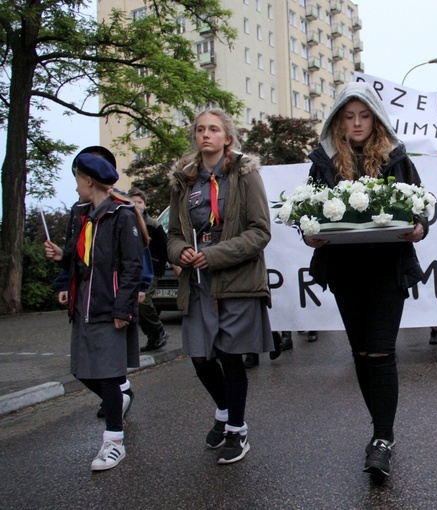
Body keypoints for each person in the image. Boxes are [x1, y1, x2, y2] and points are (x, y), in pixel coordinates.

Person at [303, 82, 427, 477]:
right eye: (349, 116)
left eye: (364, 116)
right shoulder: (323, 162)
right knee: (360, 353)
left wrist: (420, 227)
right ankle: (381, 432)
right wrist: (308, 232)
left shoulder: (396, 157)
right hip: (344, 270)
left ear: (375, 119)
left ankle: (382, 438)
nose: (357, 123)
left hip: (387, 268)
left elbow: (423, 205)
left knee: (381, 352)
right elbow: (306, 213)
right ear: (338, 120)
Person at [166, 108, 274, 465]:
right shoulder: (184, 180)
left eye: (213, 129)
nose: (205, 135)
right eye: (200, 129)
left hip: (236, 278)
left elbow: (260, 231)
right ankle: (225, 411)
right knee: (200, 356)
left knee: (230, 356)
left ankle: (238, 431)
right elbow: (174, 234)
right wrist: (181, 251)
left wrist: (214, 255)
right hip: (197, 282)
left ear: (227, 137)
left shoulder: (244, 173)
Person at [44, 149, 148, 471]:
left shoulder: (122, 215)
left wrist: (123, 308)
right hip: (83, 304)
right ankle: (119, 397)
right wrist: (63, 258)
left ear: (89, 180)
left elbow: (132, 267)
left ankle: (114, 442)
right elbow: (81, 258)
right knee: (82, 370)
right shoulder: (80, 213)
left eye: (77, 180)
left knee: (108, 374)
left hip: (109, 307)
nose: (75, 187)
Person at [129, 188, 172, 351]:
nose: (136, 205)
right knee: (135, 303)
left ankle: (158, 330)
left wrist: (175, 265)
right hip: (133, 269)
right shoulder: (126, 222)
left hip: (152, 268)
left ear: (145, 205)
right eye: (133, 202)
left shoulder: (152, 224)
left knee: (144, 300)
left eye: (139, 202)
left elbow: (166, 247)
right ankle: (153, 336)